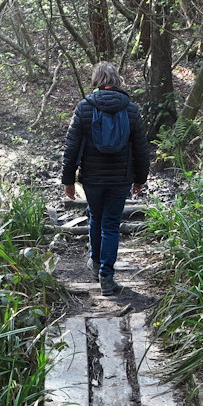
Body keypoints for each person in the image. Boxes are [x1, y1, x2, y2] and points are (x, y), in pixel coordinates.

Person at [61, 62, 152, 296]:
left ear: (96, 81)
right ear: (117, 80)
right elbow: (141, 148)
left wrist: (68, 180)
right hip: (121, 178)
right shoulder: (130, 109)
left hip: (92, 177)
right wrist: (140, 178)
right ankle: (107, 277)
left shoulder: (84, 108)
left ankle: (95, 263)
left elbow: (71, 148)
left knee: (96, 218)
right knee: (111, 224)